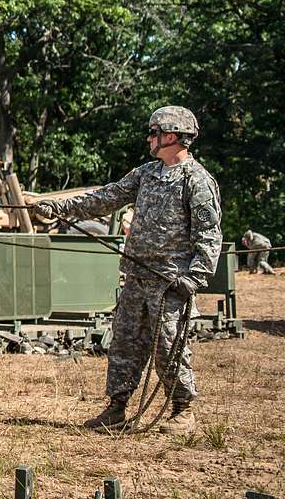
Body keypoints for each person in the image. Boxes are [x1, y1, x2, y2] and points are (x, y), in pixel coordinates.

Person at [34, 106, 221, 435]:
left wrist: (194, 277)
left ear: (173, 136)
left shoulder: (197, 180)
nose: (150, 139)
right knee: (124, 343)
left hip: (170, 283)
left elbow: (209, 234)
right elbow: (106, 198)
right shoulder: (146, 174)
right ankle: (117, 408)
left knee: (170, 345)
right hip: (137, 277)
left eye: (155, 133)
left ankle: (183, 410)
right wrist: (58, 206)